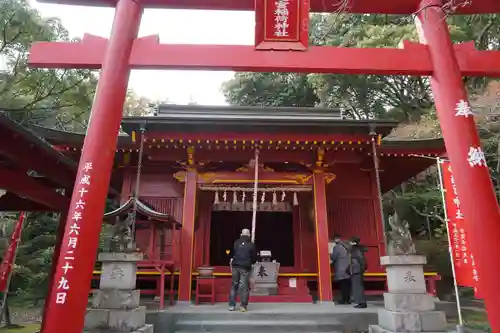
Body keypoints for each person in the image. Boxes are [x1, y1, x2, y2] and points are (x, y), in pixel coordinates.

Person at [228, 228, 257, 312]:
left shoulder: (236, 243)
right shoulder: (251, 245)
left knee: (234, 285)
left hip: (235, 266)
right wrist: (251, 262)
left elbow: (233, 253)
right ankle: (243, 306)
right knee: (244, 287)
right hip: (245, 267)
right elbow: (254, 258)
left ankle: (231, 306)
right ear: (249, 235)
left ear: (241, 234)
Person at [330, 234, 352, 304]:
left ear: (336, 239)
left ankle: (343, 299)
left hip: (341, 268)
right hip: (348, 268)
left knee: (342, 285)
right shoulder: (347, 245)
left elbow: (334, 257)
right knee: (347, 284)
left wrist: (330, 255)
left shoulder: (337, 247)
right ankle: (348, 300)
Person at [350, 236, 368, 308]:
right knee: (358, 286)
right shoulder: (358, 249)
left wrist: (362, 268)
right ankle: (360, 302)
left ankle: (361, 302)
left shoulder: (355, 249)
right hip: (358, 269)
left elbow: (360, 259)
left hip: (357, 269)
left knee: (358, 287)